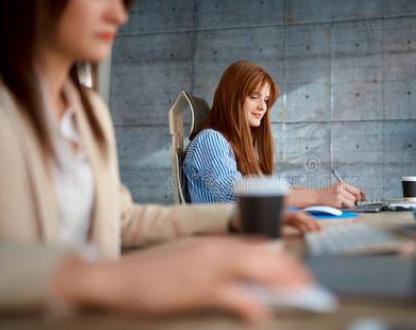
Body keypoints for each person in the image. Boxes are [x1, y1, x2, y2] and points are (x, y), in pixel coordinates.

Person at [0, 0, 316, 321]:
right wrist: (111, 278)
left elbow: (124, 220)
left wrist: (237, 219)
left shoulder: (88, 113)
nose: (119, 15)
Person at [183, 61, 366, 208]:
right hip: (225, 247)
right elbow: (236, 194)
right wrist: (318, 197)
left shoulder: (234, 147)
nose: (263, 107)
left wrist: (328, 194)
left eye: (266, 99)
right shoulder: (210, 140)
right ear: (231, 98)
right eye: (254, 97)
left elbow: (271, 186)